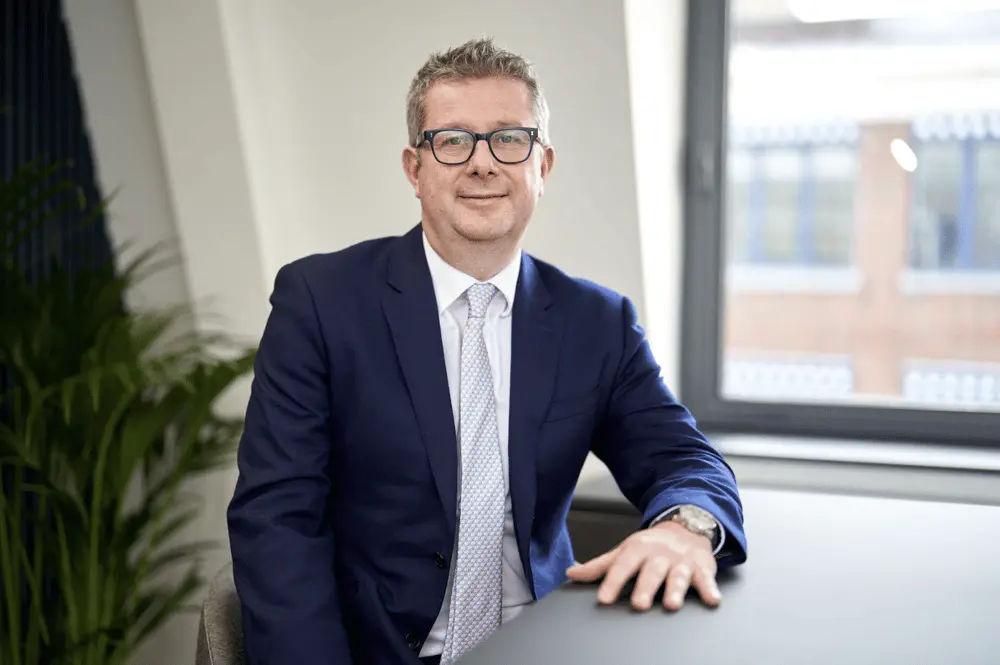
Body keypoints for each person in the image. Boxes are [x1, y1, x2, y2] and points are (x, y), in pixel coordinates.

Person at [227, 36, 747, 665]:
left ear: (542, 167)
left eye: (509, 139)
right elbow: (277, 517)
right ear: (414, 169)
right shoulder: (321, 301)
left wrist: (686, 528)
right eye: (452, 140)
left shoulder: (597, 322)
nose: (482, 164)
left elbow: (683, 458)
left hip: (548, 646)